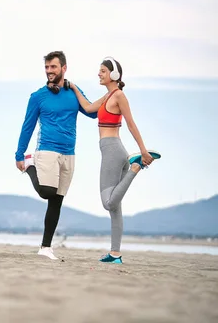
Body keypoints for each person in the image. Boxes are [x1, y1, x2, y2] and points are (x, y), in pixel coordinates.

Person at [70, 56, 161, 264]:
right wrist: (74, 88)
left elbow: (131, 124)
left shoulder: (119, 96)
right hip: (112, 150)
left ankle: (135, 166)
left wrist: (143, 151)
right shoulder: (107, 96)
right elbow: (87, 107)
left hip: (113, 150)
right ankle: (115, 254)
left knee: (108, 202)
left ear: (113, 74)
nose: (99, 74)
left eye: (102, 71)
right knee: (115, 208)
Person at [15, 51, 98, 260]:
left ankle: (45, 247)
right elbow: (28, 127)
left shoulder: (73, 94)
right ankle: (30, 165)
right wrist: (20, 153)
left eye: (53, 67)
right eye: (47, 67)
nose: (49, 71)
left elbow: (93, 112)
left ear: (64, 68)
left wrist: (77, 88)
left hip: (69, 153)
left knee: (57, 201)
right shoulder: (38, 97)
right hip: (46, 149)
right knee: (46, 191)